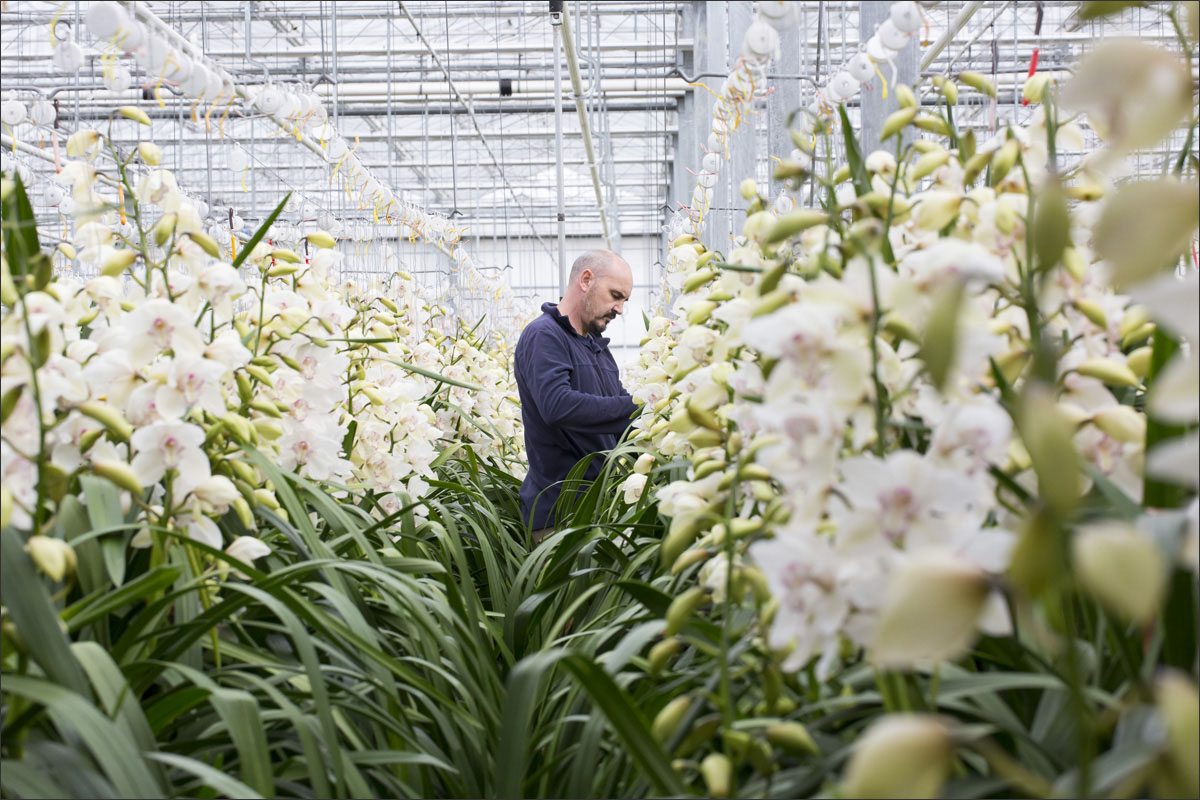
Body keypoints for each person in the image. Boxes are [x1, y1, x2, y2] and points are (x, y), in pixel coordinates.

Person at [514, 249, 639, 542]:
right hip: (560, 516)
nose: (620, 309)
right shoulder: (544, 335)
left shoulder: (597, 348)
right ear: (586, 280)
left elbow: (623, 419)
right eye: (615, 295)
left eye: (624, 300)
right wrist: (642, 406)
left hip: (599, 508)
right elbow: (557, 405)